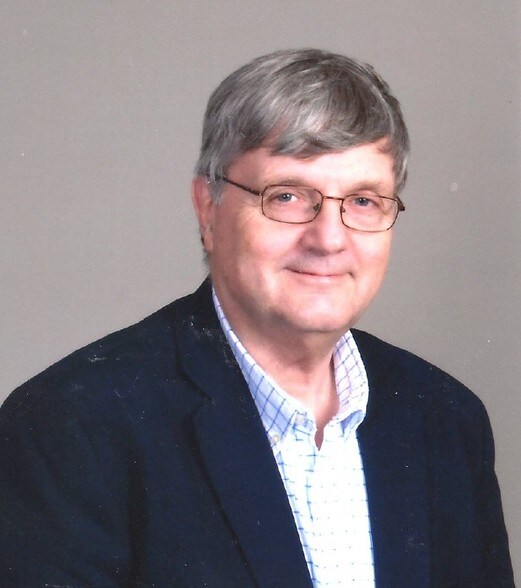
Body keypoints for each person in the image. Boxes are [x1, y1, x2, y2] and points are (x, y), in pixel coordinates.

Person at [0, 49, 514, 587]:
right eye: (287, 196)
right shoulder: (74, 424)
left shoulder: (448, 419)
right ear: (208, 208)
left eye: (363, 201)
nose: (329, 239)